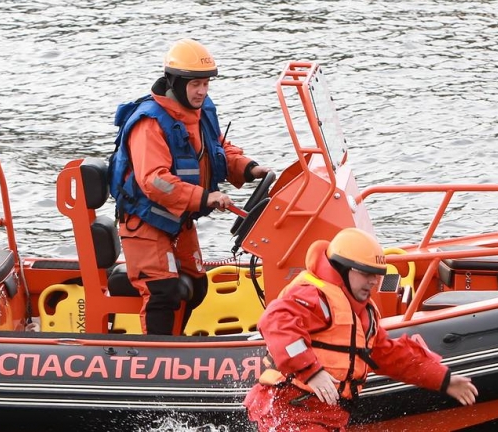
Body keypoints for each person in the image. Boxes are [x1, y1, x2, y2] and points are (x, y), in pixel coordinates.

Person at [109, 38, 271, 335]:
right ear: (175, 82)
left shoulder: (200, 113)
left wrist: (249, 168)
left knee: (196, 285)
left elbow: (217, 149)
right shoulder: (150, 124)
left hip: (177, 220)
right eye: (196, 84)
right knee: (164, 292)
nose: (202, 91)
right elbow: (154, 181)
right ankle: (157, 364)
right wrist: (205, 197)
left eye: (206, 84)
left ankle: (176, 343)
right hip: (145, 223)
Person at [243, 227, 478, 431]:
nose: (374, 282)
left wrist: (443, 379)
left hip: (327, 416)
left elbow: (393, 356)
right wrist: (310, 370)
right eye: (366, 274)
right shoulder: (313, 296)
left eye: (376, 276)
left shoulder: (363, 315)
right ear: (344, 269)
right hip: (289, 409)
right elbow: (275, 322)